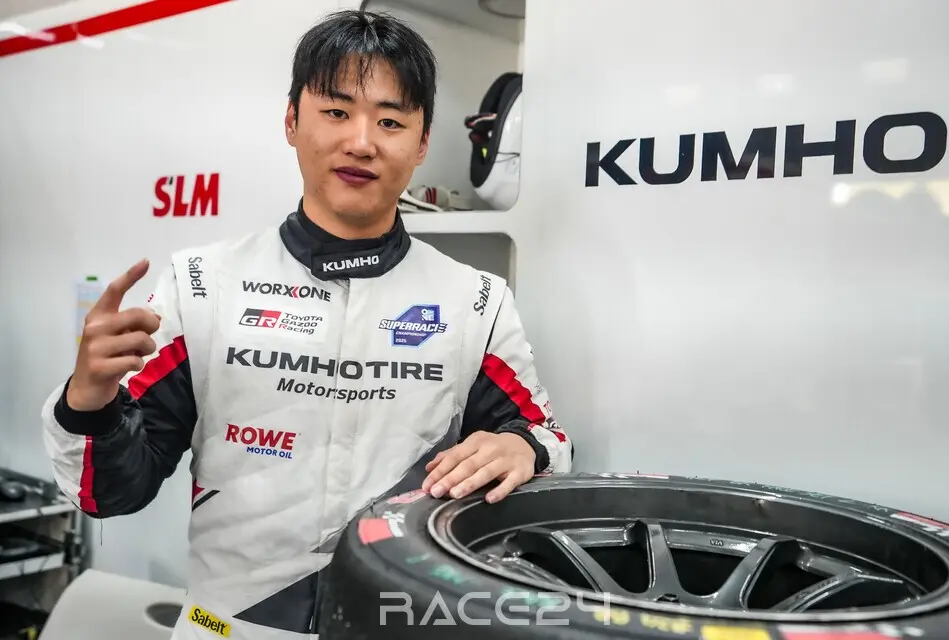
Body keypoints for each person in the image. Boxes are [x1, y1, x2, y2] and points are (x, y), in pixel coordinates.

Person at [39, 8, 573, 640]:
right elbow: (111, 493)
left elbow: (545, 438)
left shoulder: (475, 301)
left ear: (422, 143)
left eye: (391, 121)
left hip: (398, 624)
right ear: (292, 121)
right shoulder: (204, 283)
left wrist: (524, 447)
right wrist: (89, 401)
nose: (362, 142)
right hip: (227, 628)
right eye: (337, 111)